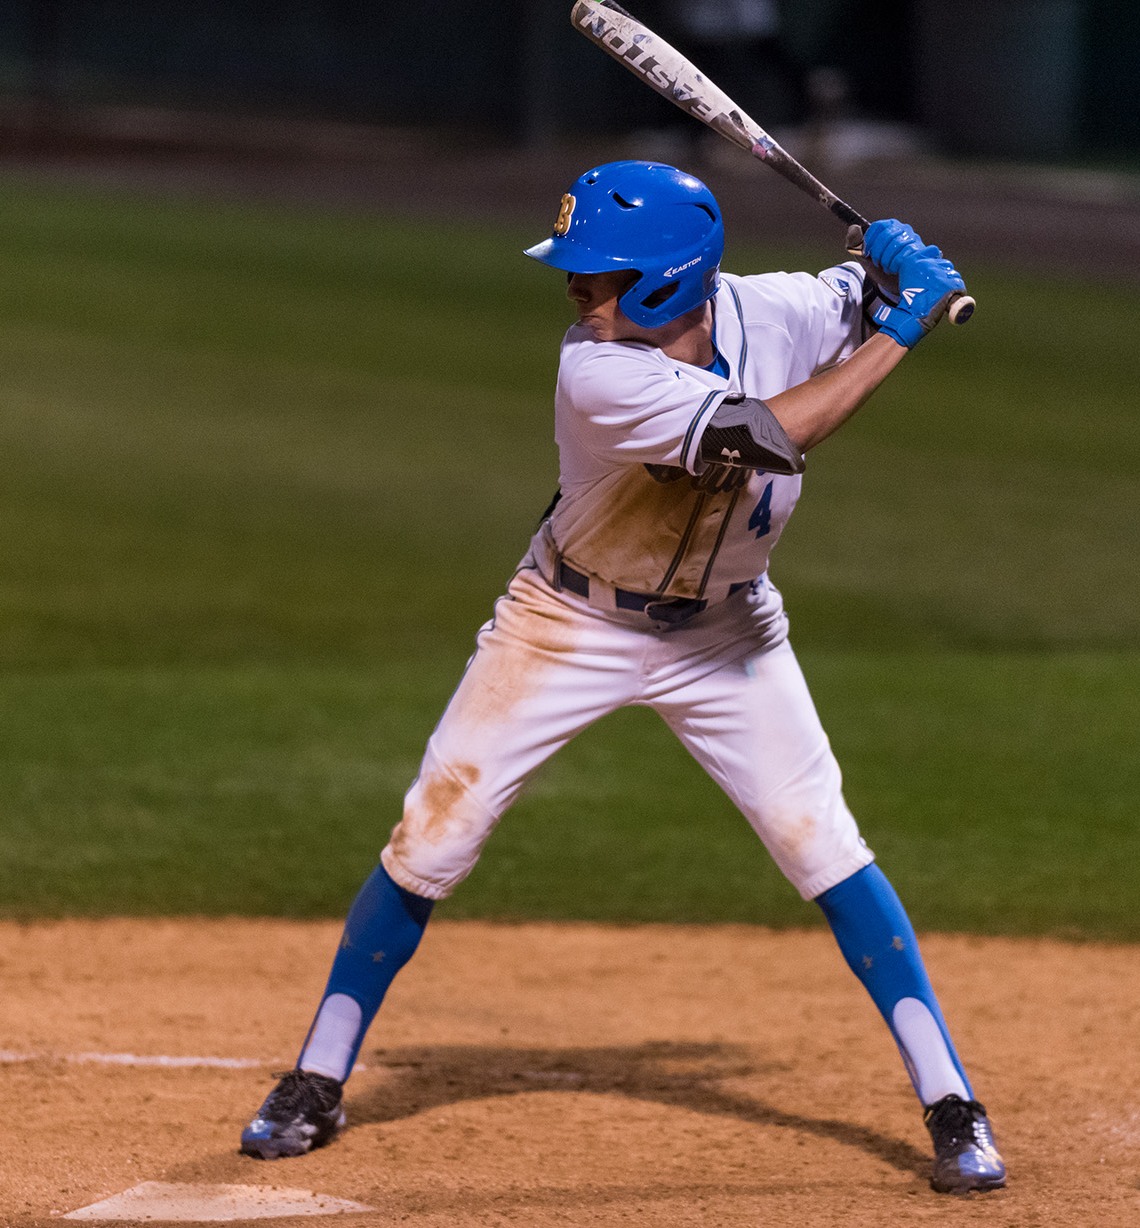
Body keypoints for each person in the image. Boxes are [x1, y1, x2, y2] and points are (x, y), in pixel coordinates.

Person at [238, 160, 1006, 1195]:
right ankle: (316, 1077)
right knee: (434, 830)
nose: (576, 296)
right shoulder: (594, 374)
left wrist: (887, 265)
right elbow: (773, 435)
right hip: (563, 621)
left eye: (595, 277)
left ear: (663, 281)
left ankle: (952, 1103)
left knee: (819, 840)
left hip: (726, 635)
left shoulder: (771, 309)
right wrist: (900, 325)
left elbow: (848, 295)